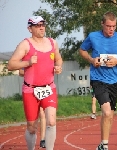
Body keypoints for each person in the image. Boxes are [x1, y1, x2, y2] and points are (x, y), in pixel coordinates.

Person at [7, 16, 63, 150]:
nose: (42, 27)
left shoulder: (52, 42)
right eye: (37, 26)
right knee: (32, 128)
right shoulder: (25, 44)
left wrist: (59, 67)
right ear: (30, 28)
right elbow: (10, 65)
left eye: (43, 25)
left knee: (51, 121)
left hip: (49, 88)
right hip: (30, 90)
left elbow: (59, 59)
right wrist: (27, 62)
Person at [79, 11, 117, 150]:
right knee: (107, 112)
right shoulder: (93, 36)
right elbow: (82, 50)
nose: (111, 29)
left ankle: (103, 144)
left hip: (114, 80)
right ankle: (106, 145)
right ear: (102, 24)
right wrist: (92, 60)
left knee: (109, 115)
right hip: (98, 78)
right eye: (108, 26)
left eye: (114, 26)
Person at [19, 69, 46, 148]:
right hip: (30, 89)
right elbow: (20, 72)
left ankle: (42, 139)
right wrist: (33, 73)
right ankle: (31, 143)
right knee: (32, 124)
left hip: (42, 88)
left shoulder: (44, 57)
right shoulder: (27, 58)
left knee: (42, 113)